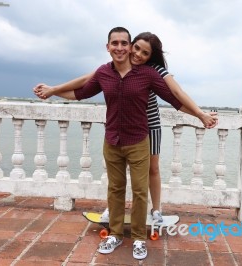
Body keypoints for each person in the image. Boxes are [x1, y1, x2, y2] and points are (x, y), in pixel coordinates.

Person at [33, 27, 216, 260]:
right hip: (112, 141)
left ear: (128, 46)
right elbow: (80, 93)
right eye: (115, 43)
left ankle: (139, 238)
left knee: (140, 192)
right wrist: (53, 92)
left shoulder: (149, 74)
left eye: (124, 44)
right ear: (108, 47)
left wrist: (200, 115)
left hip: (139, 140)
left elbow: (175, 98)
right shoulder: (103, 73)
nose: (120, 48)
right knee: (115, 189)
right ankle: (115, 234)